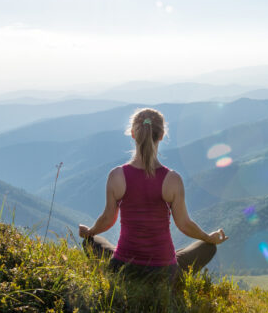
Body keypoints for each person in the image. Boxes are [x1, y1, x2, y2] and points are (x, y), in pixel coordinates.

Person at [79, 108, 228, 280]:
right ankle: (173, 263)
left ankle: (126, 263)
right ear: (162, 135)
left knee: (90, 242)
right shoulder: (172, 179)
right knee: (208, 247)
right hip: (164, 273)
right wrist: (208, 237)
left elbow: (107, 220)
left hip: (122, 268)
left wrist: (89, 231)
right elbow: (184, 224)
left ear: (133, 134)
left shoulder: (117, 176)